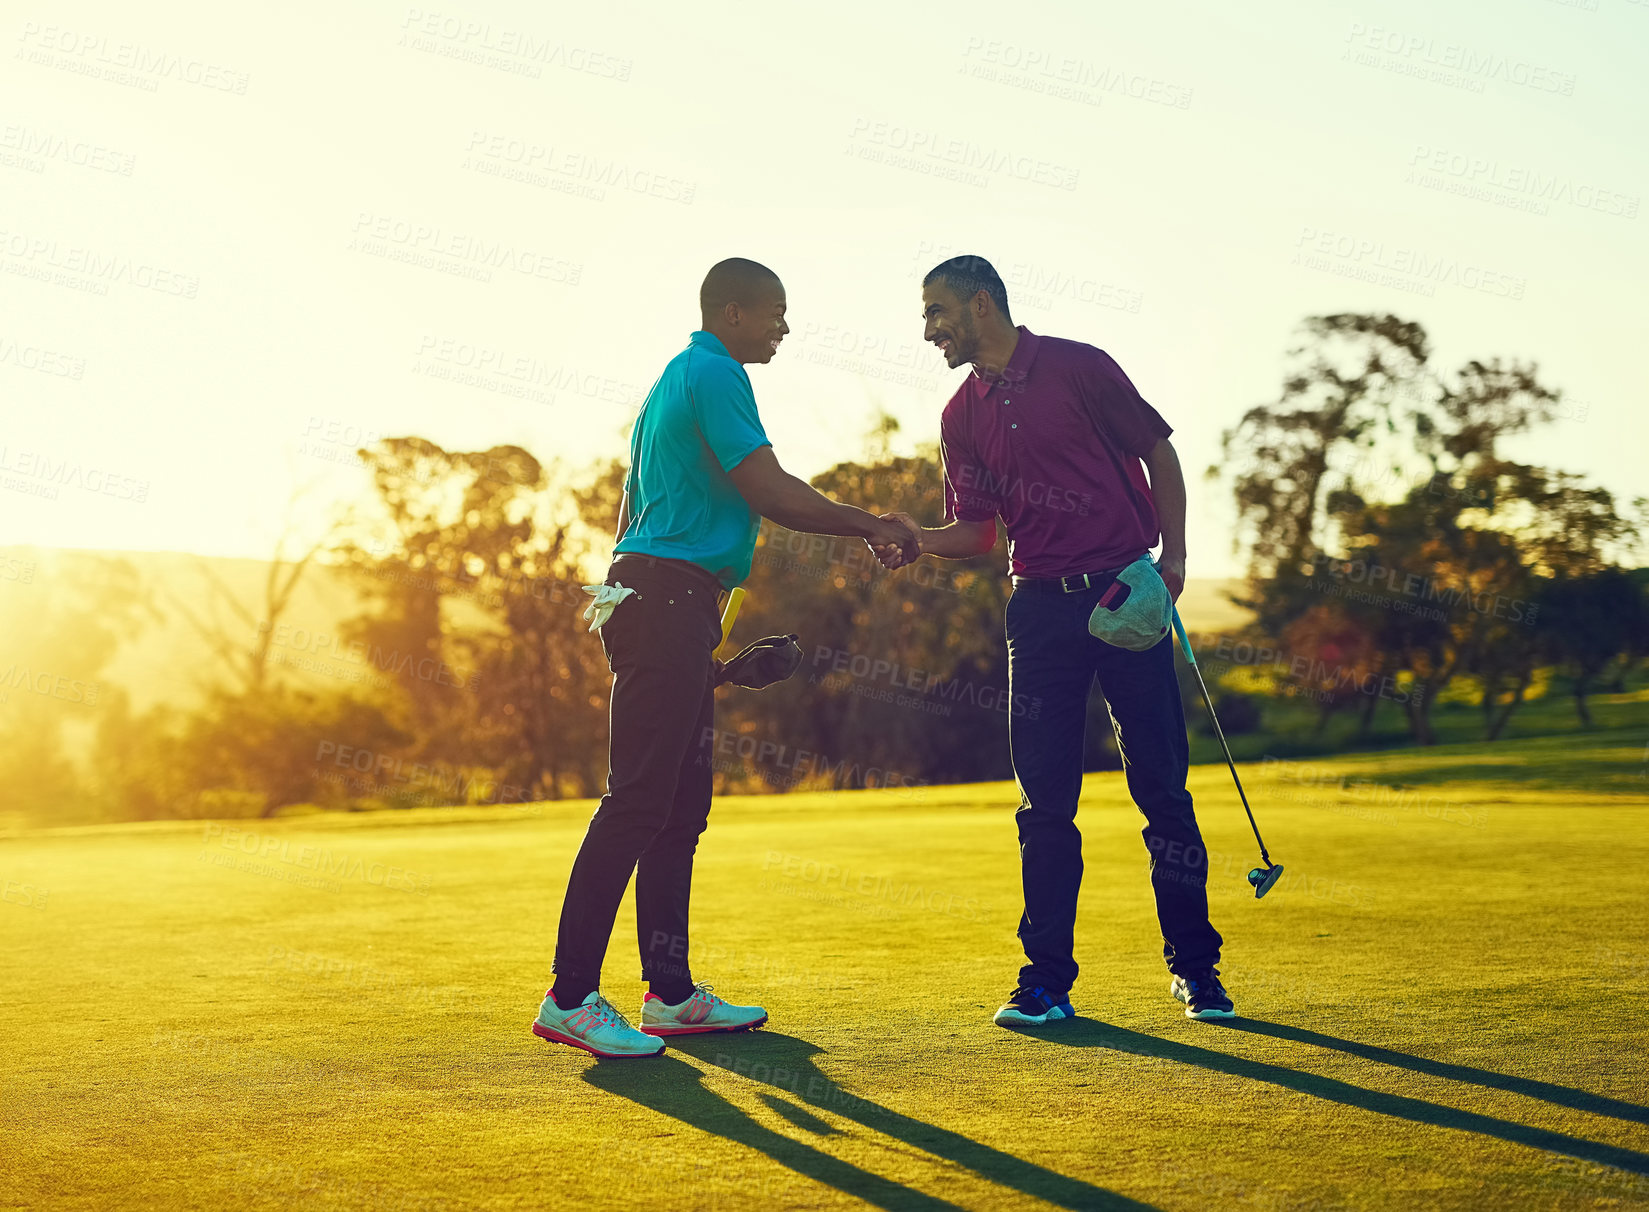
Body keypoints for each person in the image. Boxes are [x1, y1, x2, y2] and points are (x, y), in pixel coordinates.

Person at [534, 258, 918, 1058]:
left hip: (670, 606)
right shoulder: (712, 373)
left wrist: (694, 640)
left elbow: (648, 510)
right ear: (733, 313)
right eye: (774, 313)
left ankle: (670, 996)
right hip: (664, 602)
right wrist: (869, 523)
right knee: (638, 803)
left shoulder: (681, 376)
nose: (784, 326)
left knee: (679, 813)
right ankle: (570, 998)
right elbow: (770, 491)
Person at [879, 254, 1233, 1026]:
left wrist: (1171, 561)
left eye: (936, 312)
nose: (928, 330)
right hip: (1038, 613)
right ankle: (1045, 982)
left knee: (1163, 792)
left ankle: (1195, 970)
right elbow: (976, 534)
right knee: (1044, 803)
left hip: (1123, 594)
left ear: (981, 305)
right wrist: (917, 542)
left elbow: (1158, 452)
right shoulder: (959, 415)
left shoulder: (1079, 367)